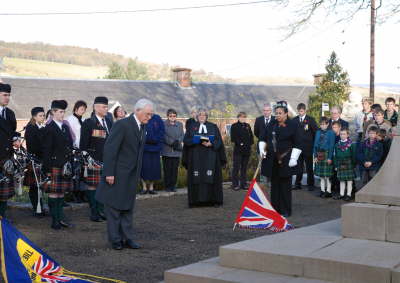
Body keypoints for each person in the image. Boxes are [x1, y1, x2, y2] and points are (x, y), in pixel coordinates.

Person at [96, 98, 153, 250]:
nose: (149, 117)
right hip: (117, 174)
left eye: (151, 114)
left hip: (131, 175)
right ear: (138, 111)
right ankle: (115, 240)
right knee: (114, 208)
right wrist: (109, 172)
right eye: (147, 114)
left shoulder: (142, 127)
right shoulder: (122, 124)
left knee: (128, 207)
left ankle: (127, 238)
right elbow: (110, 149)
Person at [259, 101, 301, 217]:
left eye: (279, 113)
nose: (277, 115)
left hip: (286, 160)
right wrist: (262, 149)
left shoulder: (293, 125)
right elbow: (262, 137)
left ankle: (286, 210)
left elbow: (298, 143)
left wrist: (294, 158)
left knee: (285, 186)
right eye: (276, 113)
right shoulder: (272, 123)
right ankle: (275, 210)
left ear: (286, 114)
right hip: (272, 161)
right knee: (275, 186)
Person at [182, 108, 226, 208]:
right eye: (200, 115)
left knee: (211, 177)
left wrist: (212, 143)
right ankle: (196, 201)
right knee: (196, 177)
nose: (202, 116)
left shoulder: (213, 126)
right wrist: (195, 140)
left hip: (210, 157)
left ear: (207, 116)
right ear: (197, 116)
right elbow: (186, 140)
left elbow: (219, 141)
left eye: (204, 115)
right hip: (195, 157)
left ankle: (214, 200)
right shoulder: (192, 126)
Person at [80, 96, 113, 222]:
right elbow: (83, 144)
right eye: (104, 107)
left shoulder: (109, 122)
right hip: (93, 160)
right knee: (93, 187)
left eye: (106, 106)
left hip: (107, 159)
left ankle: (101, 210)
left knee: (103, 187)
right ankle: (94, 212)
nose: (106, 109)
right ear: (96, 107)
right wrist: (87, 160)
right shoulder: (89, 123)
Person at [42, 100, 74, 229]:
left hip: (65, 165)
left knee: (61, 193)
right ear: (52, 112)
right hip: (54, 165)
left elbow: (70, 146)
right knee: (54, 193)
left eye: (63, 112)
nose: (62, 114)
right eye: (60, 112)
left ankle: (60, 218)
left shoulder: (65, 127)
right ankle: (55, 220)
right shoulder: (49, 128)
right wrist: (48, 169)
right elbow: (46, 151)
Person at [24, 107, 46, 217]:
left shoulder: (41, 127)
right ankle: (37, 209)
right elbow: (33, 146)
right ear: (34, 116)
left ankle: (40, 207)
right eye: (40, 115)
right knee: (34, 186)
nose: (43, 117)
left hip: (41, 159)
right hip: (35, 159)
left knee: (40, 186)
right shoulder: (31, 128)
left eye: (43, 115)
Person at [292, 103, 318, 191]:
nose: (300, 113)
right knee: (298, 167)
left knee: (309, 167)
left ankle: (310, 185)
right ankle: (297, 184)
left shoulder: (311, 120)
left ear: (305, 110)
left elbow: (315, 133)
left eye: (302, 111)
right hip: (297, 148)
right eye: (299, 111)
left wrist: (313, 145)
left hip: (308, 148)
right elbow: (292, 134)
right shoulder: (294, 120)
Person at [0, 83, 17, 218]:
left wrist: (15, 137)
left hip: (6, 158)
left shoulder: (10, 114)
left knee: (4, 194)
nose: (7, 98)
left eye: (9, 95)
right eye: (5, 95)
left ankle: (2, 220)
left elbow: (11, 133)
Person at [66, 100, 87, 203]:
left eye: (84, 109)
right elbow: (71, 135)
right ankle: (74, 195)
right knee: (75, 173)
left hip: (82, 150)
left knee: (82, 173)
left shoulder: (82, 120)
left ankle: (81, 194)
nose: (83, 111)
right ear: (76, 108)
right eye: (81, 109)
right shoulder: (70, 119)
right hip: (75, 149)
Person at [141, 113, 165, 194]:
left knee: (154, 169)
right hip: (144, 148)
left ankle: (151, 187)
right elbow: (139, 130)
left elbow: (162, 131)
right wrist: (146, 139)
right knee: (143, 168)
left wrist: (155, 139)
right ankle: (144, 187)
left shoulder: (157, 118)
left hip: (155, 148)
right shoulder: (142, 116)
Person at [162, 109, 184, 192]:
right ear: (167, 116)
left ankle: (173, 186)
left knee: (174, 170)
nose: (172, 117)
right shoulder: (163, 124)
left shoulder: (180, 124)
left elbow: (182, 134)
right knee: (167, 169)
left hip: (176, 151)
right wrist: (172, 142)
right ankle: (167, 186)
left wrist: (177, 141)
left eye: (174, 116)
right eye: (170, 116)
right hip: (167, 151)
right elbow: (163, 135)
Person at [230, 112, 254, 190]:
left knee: (244, 168)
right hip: (238, 151)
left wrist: (250, 143)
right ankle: (235, 184)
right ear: (238, 117)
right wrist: (241, 143)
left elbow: (251, 136)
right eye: (241, 117)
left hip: (246, 150)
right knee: (236, 168)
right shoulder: (234, 126)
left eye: (244, 117)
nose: (243, 118)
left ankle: (243, 184)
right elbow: (233, 138)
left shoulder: (247, 126)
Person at [313, 117, 335, 198]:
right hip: (319, 154)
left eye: (324, 124)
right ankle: (322, 191)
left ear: (327, 124)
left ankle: (328, 191)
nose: (322, 126)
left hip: (326, 154)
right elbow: (315, 144)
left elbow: (332, 146)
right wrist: (315, 156)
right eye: (321, 124)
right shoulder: (318, 132)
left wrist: (330, 157)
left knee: (327, 176)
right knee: (321, 176)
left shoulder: (331, 133)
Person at [333, 128, 357, 201]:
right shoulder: (337, 145)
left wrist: (353, 165)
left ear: (348, 135)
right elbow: (335, 156)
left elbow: (354, 155)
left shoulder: (351, 145)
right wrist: (336, 165)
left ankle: (349, 195)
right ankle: (341, 194)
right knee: (341, 180)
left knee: (349, 180)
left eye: (344, 134)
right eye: (341, 134)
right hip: (340, 163)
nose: (342, 136)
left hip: (349, 162)